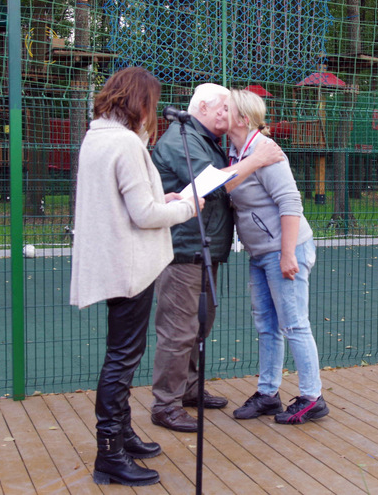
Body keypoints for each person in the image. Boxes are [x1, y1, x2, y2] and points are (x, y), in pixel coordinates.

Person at [69, 67, 202, 486]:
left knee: (121, 353)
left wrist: (164, 197)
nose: (154, 112)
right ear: (140, 102)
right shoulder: (126, 143)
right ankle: (109, 452)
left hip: (113, 259)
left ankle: (122, 435)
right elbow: (143, 215)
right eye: (152, 104)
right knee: (122, 358)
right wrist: (188, 207)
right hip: (128, 265)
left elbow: (126, 201)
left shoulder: (97, 136)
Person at [149, 83, 285, 432]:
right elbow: (207, 184)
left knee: (199, 322)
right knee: (178, 329)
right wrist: (257, 160)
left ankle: (189, 389)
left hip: (204, 248)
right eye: (224, 107)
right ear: (204, 108)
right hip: (183, 250)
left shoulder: (204, 140)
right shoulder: (182, 139)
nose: (229, 113)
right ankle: (165, 405)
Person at [227, 89, 329, 424]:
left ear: (243, 119)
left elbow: (290, 202)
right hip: (260, 253)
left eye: (227, 109)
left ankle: (312, 398)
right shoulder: (235, 152)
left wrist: (288, 254)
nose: (221, 112)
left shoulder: (267, 151)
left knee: (294, 324)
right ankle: (268, 394)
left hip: (285, 249)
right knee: (267, 325)